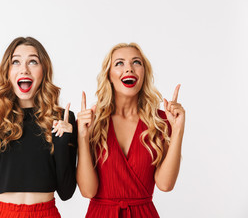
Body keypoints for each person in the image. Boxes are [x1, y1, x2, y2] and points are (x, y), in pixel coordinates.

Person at [76, 43, 185, 218]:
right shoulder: (91, 122)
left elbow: (165, 185)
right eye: (119, 63)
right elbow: (88, 191)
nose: (129, 69)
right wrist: (82, 136)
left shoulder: (161, 121)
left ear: (144, 74)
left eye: (136, 62)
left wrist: (178, 129)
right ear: (109, 76)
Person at [0, 37, 77, 218]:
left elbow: (66, 192)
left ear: (43, 70)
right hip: (1, 213)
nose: (24, 69)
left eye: (33, 62)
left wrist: (62, 143)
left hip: (45, 213)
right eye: (16, 62)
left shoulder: (61, 120)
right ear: (7, 71)